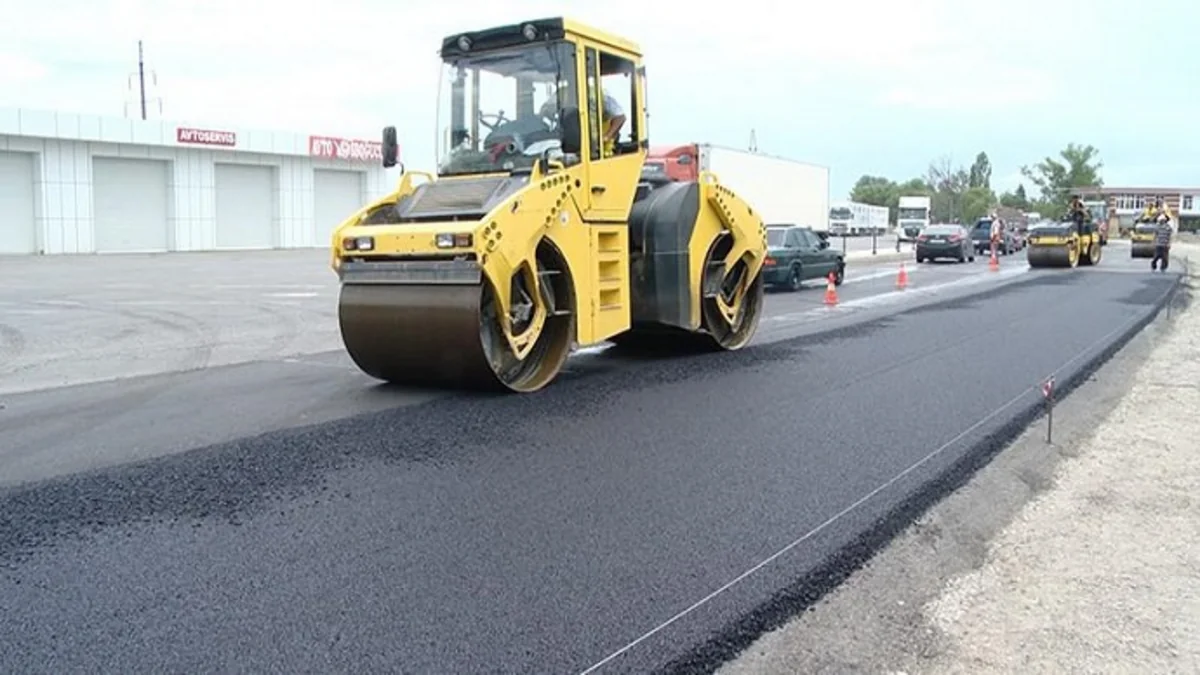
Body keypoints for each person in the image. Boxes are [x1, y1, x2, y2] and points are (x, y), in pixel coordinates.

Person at [1152, 207, 1173, 272]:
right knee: (1156, 256)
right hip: (1158, 244)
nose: (1161, 221)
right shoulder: (1157, 227)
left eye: (1162, 220)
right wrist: (1154, 242)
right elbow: (1155, 235)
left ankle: (1163, 268)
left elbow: (1170, 236)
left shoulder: (1168, 227)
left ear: (1164, 220)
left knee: (1165, 258)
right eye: (1160, 220)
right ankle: (1154, 265)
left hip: (1165, 244)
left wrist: (1169, 243)